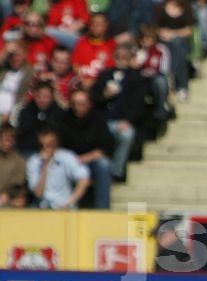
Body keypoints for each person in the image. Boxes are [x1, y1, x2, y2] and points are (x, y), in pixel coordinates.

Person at [91, 44, 147, 181]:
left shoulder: (136, 78)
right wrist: (105, 95)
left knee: (127, 134)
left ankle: (116, 171)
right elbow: (93, 99)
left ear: (130, 59)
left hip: (122, 122)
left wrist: (128, 120)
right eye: (118, 57)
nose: (121, 60)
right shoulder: (104, 75)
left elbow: (138, 105)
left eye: (125, 58)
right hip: (102, 121)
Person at [58, 89, 114, 208]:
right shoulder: (63, 119)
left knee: (104, 165)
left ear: (89, 104)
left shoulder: (98, 118)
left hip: (91, 160)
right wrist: (72, 160)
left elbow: (107, 146)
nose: (78, 107)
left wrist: (86, 158)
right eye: (75, 103)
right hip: (68, 161)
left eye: (82, 103)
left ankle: (102, 209)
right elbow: (58, 146)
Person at [26, 126, 90, 209]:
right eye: (42, 145)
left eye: (49, 145)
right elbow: (38, 193)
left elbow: (84, 179)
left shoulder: (66, 157)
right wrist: (45, 166)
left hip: (65, 207)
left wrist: (69, 202)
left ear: (56, 144)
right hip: (43, 208)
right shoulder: (33, 161)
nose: (45, 149)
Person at [155, 0, 194, 103]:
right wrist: (163, 33)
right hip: (163, 41)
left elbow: (189, 30)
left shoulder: (187, 7)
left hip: (181, 41)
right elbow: (155, 27)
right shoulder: (159, 8)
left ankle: (173, 77)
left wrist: (173, 33)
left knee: (178, 45)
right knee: (170, 48)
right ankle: (180, 85)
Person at [16, 81, 64, 157]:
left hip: (53, 150)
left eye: (46, 97)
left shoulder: (59, 113)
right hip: (29, 149)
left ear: (52, 97)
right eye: (39, 96)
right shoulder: (26, 111)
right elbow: (22, 134)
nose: (42, 100)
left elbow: (60, 135)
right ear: (35, 96)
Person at [72, 12, 117, 89]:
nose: (95, 26)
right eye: (93, 23)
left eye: (99, 24)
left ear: (106, 26)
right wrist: (83, 79)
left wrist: (94, 82)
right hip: (82, 82)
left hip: (101, 85)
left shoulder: (112, 45)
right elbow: (75, 64)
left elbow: (111, 69)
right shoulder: (81, 43)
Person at [0, 124, 25, 196]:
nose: (7, 142)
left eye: (10, 139)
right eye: (4, 138)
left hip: (9, 198)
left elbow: (17, 184)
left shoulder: (19, 161)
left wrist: (6, 193)